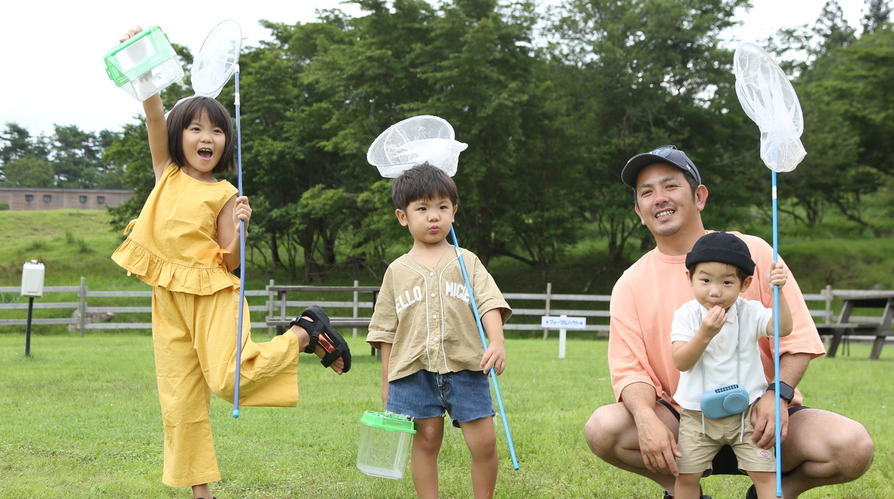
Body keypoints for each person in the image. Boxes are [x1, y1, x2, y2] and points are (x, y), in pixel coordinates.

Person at [110, 26, 352, 499]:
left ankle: (304, 331)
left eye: (217, 129)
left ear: (225, 141)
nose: (207, 137)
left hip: (214, 294)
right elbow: (154, 112)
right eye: (197, 128)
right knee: (178, 401)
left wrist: (240, 225)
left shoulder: (225, 193)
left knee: (229, 380)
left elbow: (231, 259)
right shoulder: (167, 173)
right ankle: (202, 493)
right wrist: (139, 52)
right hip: (169, 299)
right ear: (180, 137)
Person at [584, 145, 873, 499]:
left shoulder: (755, 253)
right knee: (604, 427)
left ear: (699, 196)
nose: (659, 198)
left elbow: (795, 341)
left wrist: (776, 395)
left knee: (853, 445)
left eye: (671, 186)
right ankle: (680, 491)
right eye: (647, 192)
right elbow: (632, 372)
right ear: (639, 211)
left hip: (760, 417)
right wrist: (646, 420)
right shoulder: (630, 283)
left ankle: (776, 492)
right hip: (682, 419)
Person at [366, 162, 512, 499]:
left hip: (466, 367)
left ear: (454, 212)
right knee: (427, 440)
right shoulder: (396, 271)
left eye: (442, 207)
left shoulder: (467, 260)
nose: (434, 216)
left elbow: (488, 301)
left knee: (485, 443)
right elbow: (385, 331)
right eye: (423, 208)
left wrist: (498, 341)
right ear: (403, 216)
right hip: (413, 373)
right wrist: (387, 382)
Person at [671, 232, 793, 499]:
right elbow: (681, 361)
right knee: (687, 475)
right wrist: (704, 334)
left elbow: (783, 327)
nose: (715, 291)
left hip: (747, 413)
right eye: (705, 280)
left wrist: (779, 291)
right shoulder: (686, 315)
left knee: (765, 474)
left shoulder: (750, 311)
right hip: (697, 415)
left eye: (727, 282)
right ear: (689, 278)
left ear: (745, 283)